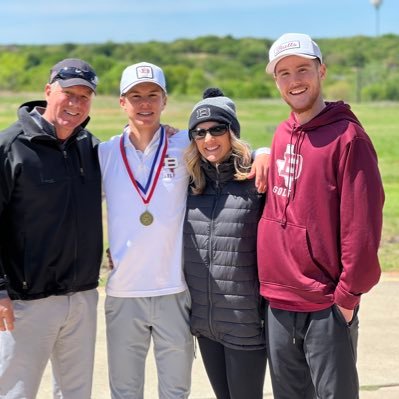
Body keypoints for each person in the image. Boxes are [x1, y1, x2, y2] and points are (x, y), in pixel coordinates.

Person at [99, 62, 269, 399]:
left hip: (175, 292)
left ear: (164, 100)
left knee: (176, 391)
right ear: (122, 102)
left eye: (153, 95)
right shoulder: (104, 152)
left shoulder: (183, 146)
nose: (144, 103)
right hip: (123, 292)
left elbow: (229, 146)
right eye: (136, 96)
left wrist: (265, 150)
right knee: (124, 391)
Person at [257, 33, 385, 399]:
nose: (294, 80)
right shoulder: (282, 134)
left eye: (302, 69)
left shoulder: (349, 138)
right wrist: (263, 150)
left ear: (321, 71)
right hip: (280, 302)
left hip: (326, 303)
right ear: (276, 81)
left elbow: (362, 227)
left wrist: (347, 298)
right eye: (284, 73)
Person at [0, 58, 103, 398]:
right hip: (26, 301)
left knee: (75, 394)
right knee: (15, 392)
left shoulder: (91, 148)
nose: (75, 104)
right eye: (67, 93)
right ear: (48, 91)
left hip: (83, 297)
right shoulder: (10, 146)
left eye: (84, 96)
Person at [183, 88, 267, 399]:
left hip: (245, 323)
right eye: (199, 132)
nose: (208, 139)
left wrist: (264, 151)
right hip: (205, 324)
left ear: (232, 131)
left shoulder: (255, 181)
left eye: (218, 129)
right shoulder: (190, 185)